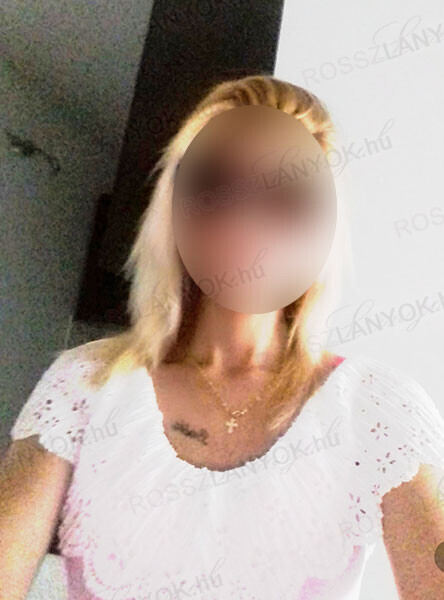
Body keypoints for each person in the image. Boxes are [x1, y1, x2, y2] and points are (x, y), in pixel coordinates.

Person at [2, 75, 444, 600]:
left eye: (285, 195)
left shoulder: (376, 408)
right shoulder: (83, 384)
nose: (244, 218)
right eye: (216, 185)